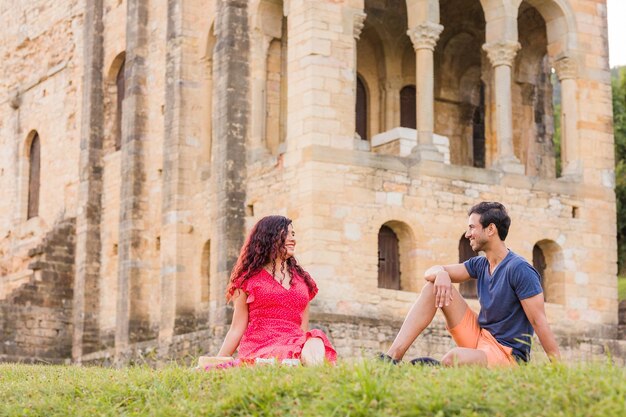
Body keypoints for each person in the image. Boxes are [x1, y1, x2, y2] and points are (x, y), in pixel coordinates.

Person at [383, 202, 560, 367]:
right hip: (480, 336)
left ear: (491, 229)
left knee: (452, 358)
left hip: (507, 355)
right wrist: (441, 273)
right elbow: (429, 272)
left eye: (472, 227)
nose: (468, 234)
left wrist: (557, 368)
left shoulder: (520, 269)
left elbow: (539, 321)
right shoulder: (480, 264)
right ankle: (391, 360)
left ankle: (437, 368)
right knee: (432, 287)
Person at [216, 215, 337, 366]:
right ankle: (308, 370)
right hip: (261, 347)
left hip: (295, 346)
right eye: (285, 234)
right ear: (269, 237)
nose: (292, 239)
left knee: (315, 339)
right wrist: (217, 361)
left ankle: (311, 373)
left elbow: (303, 329)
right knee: (308, 349)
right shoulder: (247, 280)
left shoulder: (304, 282)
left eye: (293, 234)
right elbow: (236, 329)